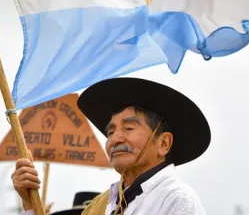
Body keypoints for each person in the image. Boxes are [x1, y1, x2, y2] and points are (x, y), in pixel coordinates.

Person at [11, 77, 210, 214]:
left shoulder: (177, 200)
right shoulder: (105, 204)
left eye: (129, 128)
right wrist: (29, 204)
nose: (115, 139)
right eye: (111, 132)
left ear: (163, 143)